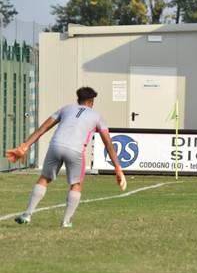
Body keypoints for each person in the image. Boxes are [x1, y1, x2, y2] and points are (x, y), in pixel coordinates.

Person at [4, 87, 126, 228]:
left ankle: (27, 214)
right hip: (76, 151)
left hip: (56, 145)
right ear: (92, 102)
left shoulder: (66, 109)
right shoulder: (97, 116)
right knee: (76, 184)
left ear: (78, 100)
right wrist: (118, 167)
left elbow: (42, 129)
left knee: (44, 178)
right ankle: (66, 221)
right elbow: (108, 143)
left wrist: (24, 146)